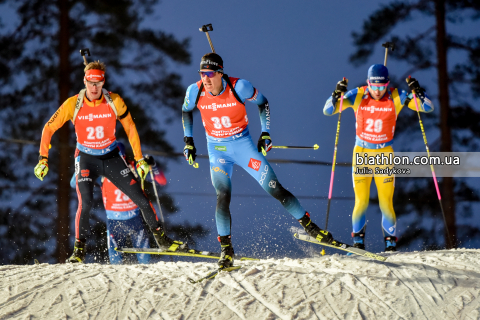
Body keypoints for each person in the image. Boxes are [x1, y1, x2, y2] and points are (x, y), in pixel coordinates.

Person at [181, 53, 333, 268]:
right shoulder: (194, 91)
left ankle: (311, 227)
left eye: (210, 73)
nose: (205, 78)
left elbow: (263, 103)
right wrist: (188, 141)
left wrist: (266, 133)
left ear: (220, 73)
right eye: (202, 73)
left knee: (275, 188)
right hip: (218, 151)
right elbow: (186, 111)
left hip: (243, 146)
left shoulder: (239, 87)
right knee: (222, 195)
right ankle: (226, 250)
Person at [34, 60, 184, 263]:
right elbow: (48, 128)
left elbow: (130, 128)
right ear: (84, 81)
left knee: (140, 198)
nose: (94, 87)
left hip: (111, 156)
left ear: (103, 82)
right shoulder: (73, 104)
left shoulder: (114, 101)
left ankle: (162, 239)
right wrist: (43, 158)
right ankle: (79, 250)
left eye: (98, 83)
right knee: (85, 202)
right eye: (90, 82)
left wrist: (139, 159)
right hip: (86, 158)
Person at [323, 64, 434, 252]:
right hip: (362, 154)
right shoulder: (358, 95)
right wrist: (336, 94)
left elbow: (427, 108)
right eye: (374, 86)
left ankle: (390, 245)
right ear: (368, 83)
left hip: (384, 154)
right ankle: (358, 243)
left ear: (387, 84)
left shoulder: (396, 96)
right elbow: (328, 110)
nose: (377, 91)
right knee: (361, 201)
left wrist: (418, 93)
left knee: (386, 202)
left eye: (382, 86)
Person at [69, 142, 167, 264]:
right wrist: (84, 164)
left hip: (135, 220)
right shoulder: (102, 170)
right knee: (116, 264)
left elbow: (161, 181)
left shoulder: (134, 167)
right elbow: (74, 183)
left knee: (145, 262)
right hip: (114, 222)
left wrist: (153, 166)